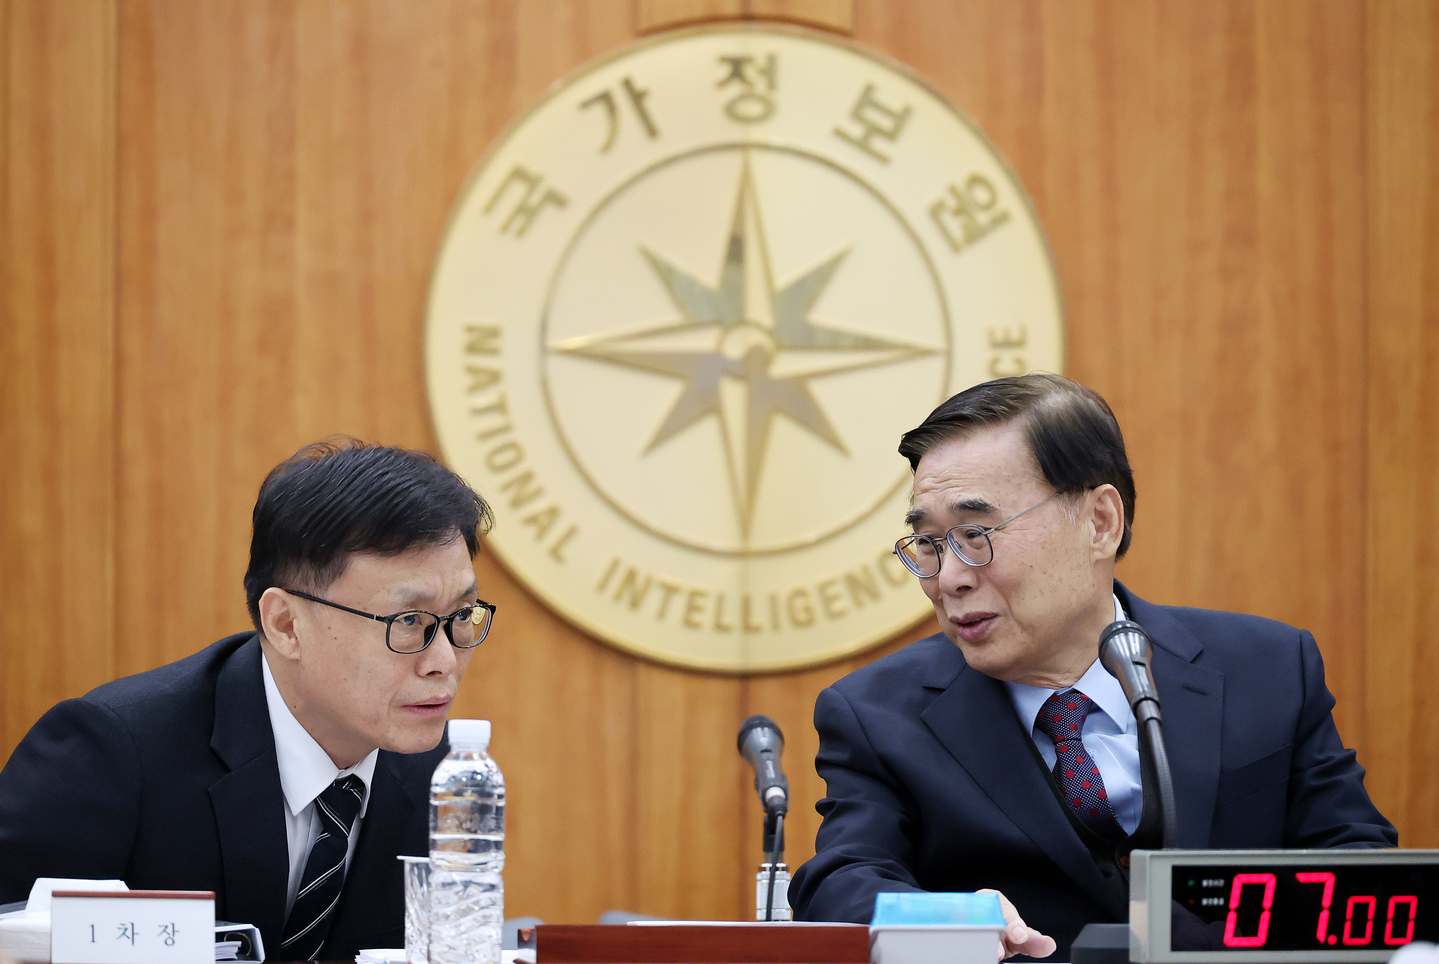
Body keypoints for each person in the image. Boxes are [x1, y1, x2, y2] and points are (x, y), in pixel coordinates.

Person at [788, 374, 1395, 961]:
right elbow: (840, 884)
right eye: (929, 545)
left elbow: (1359, 865)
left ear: (1100, 522)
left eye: (976, 534)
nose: (950, 579)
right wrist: (948, 920)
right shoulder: (877, 712)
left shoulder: (1266, 669)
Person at [0, 439, 497, 961]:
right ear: (285, 624)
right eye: (409, 621)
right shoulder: (111, 754)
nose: (443, 658)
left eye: (461, 616)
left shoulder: (443, 778)